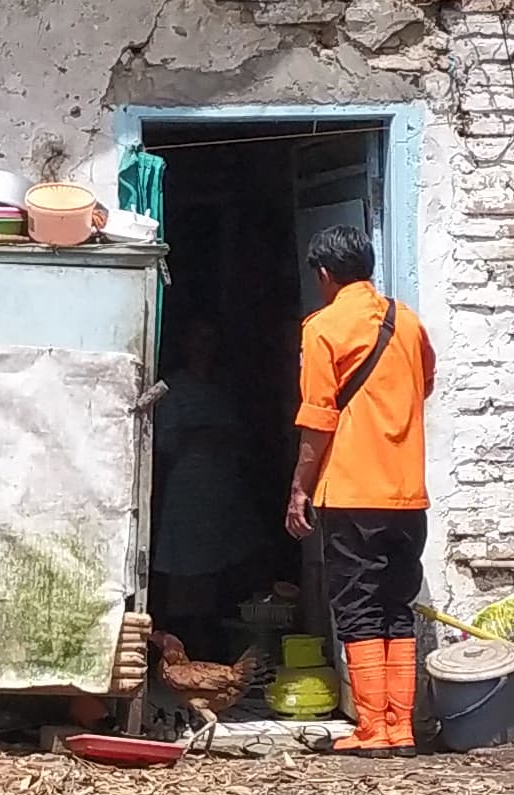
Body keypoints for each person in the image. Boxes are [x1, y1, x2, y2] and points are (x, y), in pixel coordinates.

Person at [284, 223, 437, 753]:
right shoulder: (410, 323)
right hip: (407, 493)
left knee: (357, 606)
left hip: (351, 491)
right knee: (398, 602)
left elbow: (318, 418)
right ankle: (402, 726)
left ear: (324, 275)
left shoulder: (323, 328)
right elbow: (427, 386)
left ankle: (372, 726)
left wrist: (299, 488)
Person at [147, 318, 269, 657]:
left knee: (226, 568)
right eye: (197, 337)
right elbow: (164, 443)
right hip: (187, 490)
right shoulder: (172, 388)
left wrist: (212, 435)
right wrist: (204, 435)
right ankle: (186, 646)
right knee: (186, 569)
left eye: (209, 338)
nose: (203, 345)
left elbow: (242, 438)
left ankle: (216, 644)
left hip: (225, 491)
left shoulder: (224, 388)